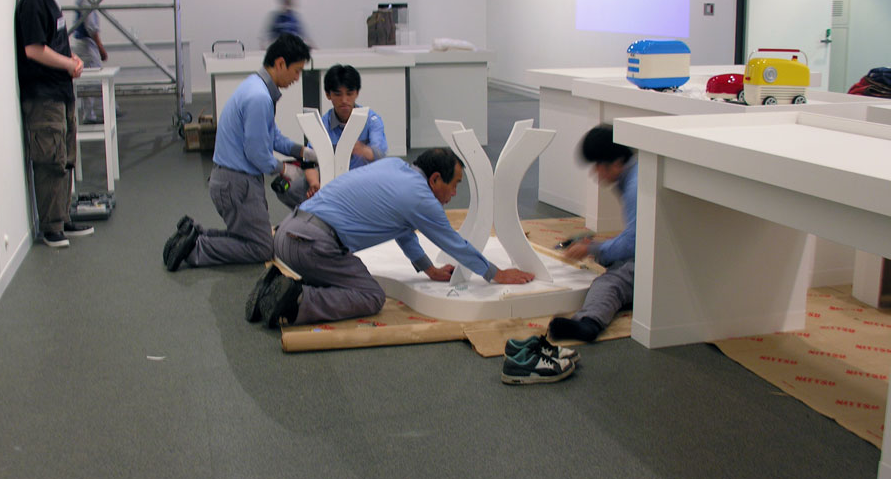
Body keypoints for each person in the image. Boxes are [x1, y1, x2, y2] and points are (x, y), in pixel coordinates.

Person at [246, 147, 535, 328]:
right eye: (455, 184)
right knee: (371, 296)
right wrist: (495, 274)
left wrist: (428, 269)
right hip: (312, 245)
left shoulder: (394, 166)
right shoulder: (422, 198)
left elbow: (403, 230)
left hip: (286, 235)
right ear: (435, 178)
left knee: (339, 280)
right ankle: (297, 301)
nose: (454, 193)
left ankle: (276, 287)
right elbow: (454, 243)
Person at [163, 33, 316, 270]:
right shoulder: (259, 98)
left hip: (231, 181)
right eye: (296, 71)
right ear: (280, 63)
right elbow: (257, 153)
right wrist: (285, 169)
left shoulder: (256, 87)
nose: (297, 78)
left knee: (250, 237)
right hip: (237, 185)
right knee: (261, 248)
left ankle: (195, 235)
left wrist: (302, 151)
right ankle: (195, 250)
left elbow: (272, 136)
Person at [15, 0, 93, 249]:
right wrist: (68, 64)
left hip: (60, 92)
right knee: (50, 161)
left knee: (65, 159)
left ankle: (62, 217)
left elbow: (55, 43)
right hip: (43, 96)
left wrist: (72, 60)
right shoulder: (32, 2)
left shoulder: (49, 1)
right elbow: (34, 50)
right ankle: (51, 227)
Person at [548, 124, 637, 343]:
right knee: (607, 254)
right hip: (657, 247)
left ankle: (589, 323)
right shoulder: (635, 176)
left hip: (659, 261)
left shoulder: (635, 188)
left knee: (611, 281)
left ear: (617, 163)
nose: (595, 173)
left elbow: (635, 243)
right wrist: (597, 248)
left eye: (598, 166)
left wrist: (594, 249)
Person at [274, 63, 389, 209]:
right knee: (290, 189)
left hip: (364, 182)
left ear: (357, 93)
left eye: (349, 93)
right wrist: (314, 184)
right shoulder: (323, 124)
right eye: (338, 94)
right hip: (332, 181)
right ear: (328, 95)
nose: (344, 100)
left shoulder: (371, 120)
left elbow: (380, 154)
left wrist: (362, 150)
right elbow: (310, 161)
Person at [72, 0, 108, 124]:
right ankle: (91, 114)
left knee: (91, 77)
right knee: (93, 76)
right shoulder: (87, 1)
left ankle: (92, 112)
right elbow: (91, 27)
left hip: (86, 43)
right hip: (86, 44)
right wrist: (101, 48)